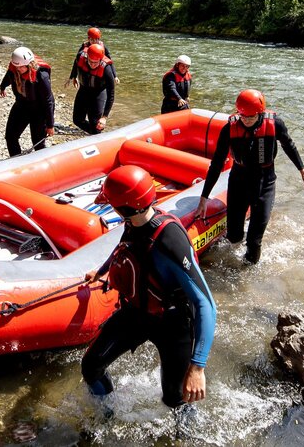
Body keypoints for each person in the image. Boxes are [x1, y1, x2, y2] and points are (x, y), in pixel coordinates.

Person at [82, 165, 217, 414]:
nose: (109, 205)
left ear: (124, 207)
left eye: (111, 202)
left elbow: (206, 304)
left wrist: (198, 368)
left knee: (175, 399)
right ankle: (106, 415)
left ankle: (183, 433)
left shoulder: (169, 240)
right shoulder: (133, 221)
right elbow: (126, 247)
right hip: (136, 313)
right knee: (91, 367)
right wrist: (101, 271)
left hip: (173, 324)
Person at [197, 89, 304, 264]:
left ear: (260, 113)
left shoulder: (275, 124)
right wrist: (204, 197)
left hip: (264, 181)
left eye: (251, 117)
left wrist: (303, 171)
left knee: (254, 241)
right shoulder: (230, 128)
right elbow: (216, 164)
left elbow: (289, 145)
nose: (246, 120)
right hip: (238, 180)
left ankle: (246, 276)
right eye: (243, 116)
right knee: (234, 236)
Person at [0, 46, 55, 157]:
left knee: (38, 143)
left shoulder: (41, 75)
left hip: (39, 110)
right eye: (16, 67)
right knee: (10, 137)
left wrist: (50, 125)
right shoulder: (15, 68)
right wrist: (2, 87)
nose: (18, 70)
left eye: (20, 68)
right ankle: (16, 161)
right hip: (22, 105)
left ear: (29, 65)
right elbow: (9, 76)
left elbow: (48, 101)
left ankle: (44, 164)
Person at [71, 42, 117, 135]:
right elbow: (76, 64)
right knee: (77, 120)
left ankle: (97, 134)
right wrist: (73, 76)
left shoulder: (106, 69)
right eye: (90, 61)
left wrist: (104, 117)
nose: (92, 65)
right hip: (83, 90)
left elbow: (111, 94)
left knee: (95, 123)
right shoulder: (81, 56)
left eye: (95, 62)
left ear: (100, 60)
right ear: (87, 57)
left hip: (98, 93)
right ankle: (95, 134)